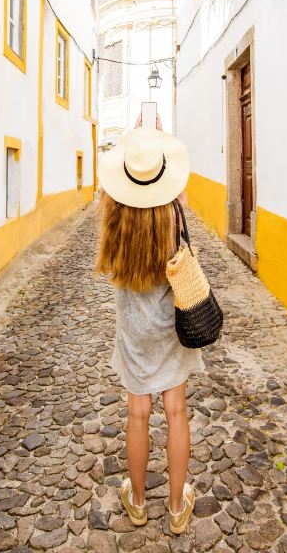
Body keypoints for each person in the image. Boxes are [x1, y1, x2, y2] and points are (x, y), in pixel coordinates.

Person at [95, 125, 205, 535]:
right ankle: (176, 508)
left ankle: (138, 502)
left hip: (134, 330)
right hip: (172, 324)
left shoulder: (115, 214)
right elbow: (181, 199)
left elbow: (109, 265)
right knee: (176, 411)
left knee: (137, 413)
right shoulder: (174, 212)